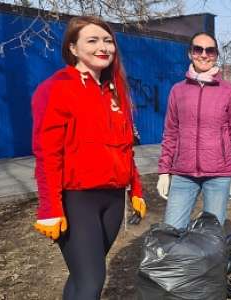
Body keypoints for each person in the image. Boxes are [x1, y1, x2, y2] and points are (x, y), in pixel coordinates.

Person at [31, 16, 147, 300]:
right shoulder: (56, 87)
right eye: (92, 40)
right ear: (72, 47)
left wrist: (137, 189)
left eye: (107, 41)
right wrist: (50, 208)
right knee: (92, 282)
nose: (103, 47)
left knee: (82, 278)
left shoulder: (115, 92)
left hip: (112, 200)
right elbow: (47, 153)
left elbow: (125, 148)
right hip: (76, 200)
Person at [156, 32, 231, 228]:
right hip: (183, 172)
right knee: (172, 229)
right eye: (198, 49)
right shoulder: (178, 90)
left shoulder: (229, 91)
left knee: (211, 234)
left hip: (219, 174)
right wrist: (164, 170)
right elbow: (170, 132)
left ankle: (210, 260)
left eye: (210, 50)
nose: (204, 55)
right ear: (190, 54)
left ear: (216, 55)